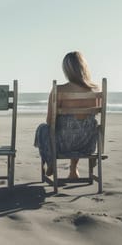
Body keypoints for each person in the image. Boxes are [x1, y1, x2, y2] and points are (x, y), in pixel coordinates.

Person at [34, 51, 99, 179]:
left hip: (62, 145)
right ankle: (73, 170)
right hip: (87, 145)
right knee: (84, 127)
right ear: (84, 68)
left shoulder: (59, 90)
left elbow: (49, 121)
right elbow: (94, 117)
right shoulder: (96, 90)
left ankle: (51, 161)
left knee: (42, 128)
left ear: (67, 70)